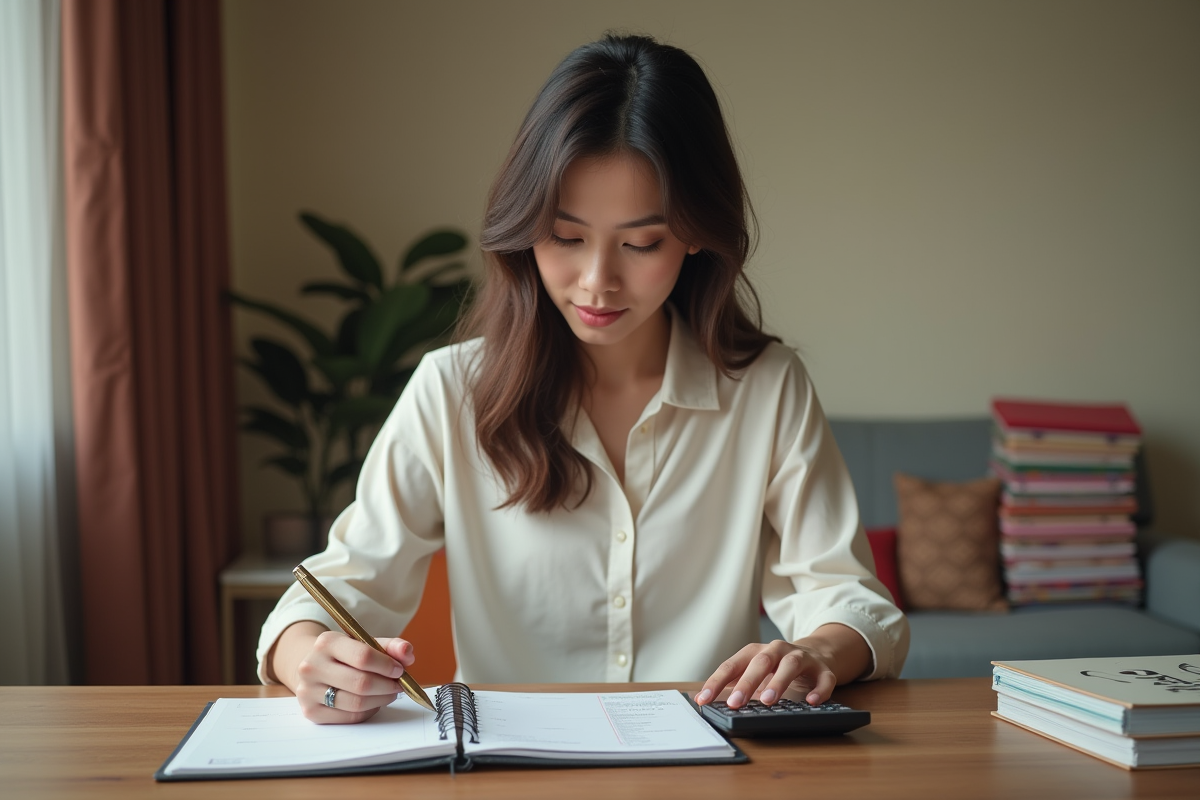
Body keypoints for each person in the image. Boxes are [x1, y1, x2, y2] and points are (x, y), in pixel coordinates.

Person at [258, 33, 909, 724]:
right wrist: (311, 659)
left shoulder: (767, 389)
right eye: (566, 237)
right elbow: (335, 591)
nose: (598, 281)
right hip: (506, 771)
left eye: (641, 243)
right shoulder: (451, 391)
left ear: (694, 235)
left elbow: (848, 599)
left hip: (706, 767)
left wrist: (818, 652)